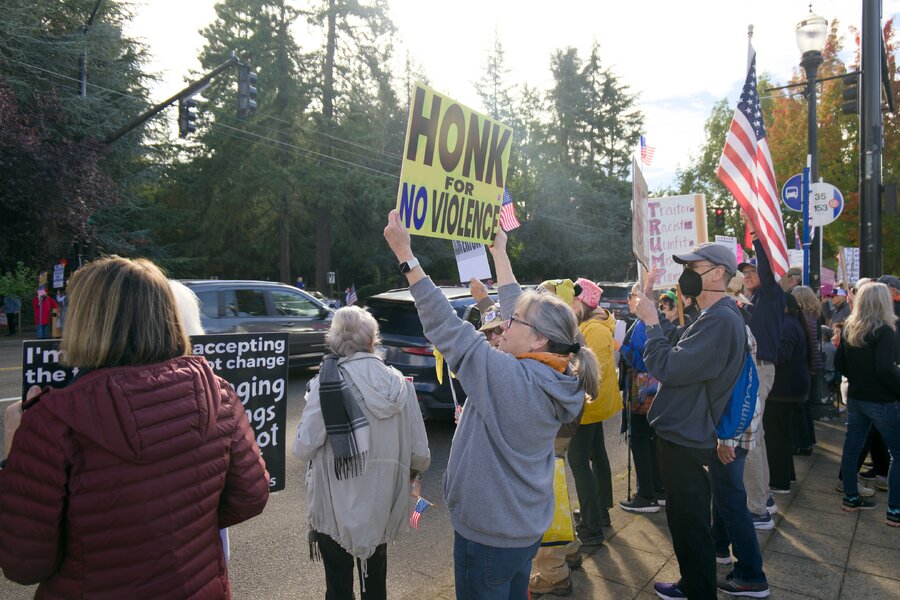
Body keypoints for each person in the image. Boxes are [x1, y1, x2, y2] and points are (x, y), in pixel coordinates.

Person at [0, 256, 270, 599]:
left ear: (85, 320)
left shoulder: (51, 422)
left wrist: (13, 452)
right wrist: (186, 530)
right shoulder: (219, 394)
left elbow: (24, 562)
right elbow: (251, 495)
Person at [383, 210, 597, 599]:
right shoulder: (552, 372)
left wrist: (407, 259)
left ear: (538, 342)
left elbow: (448, 329)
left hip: (489, 538)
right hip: (521, 529)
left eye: (512, 323)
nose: (503, 325)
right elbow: (520, 307)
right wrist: (500, 252)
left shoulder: (512, 378)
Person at [631, 242, 746, 600]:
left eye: (693, 269)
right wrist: (653, 311)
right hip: (684, 430)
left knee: (690, 524)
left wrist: (652, 321)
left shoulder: (722, 320)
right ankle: (692, 583)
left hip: (686, 434)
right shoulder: (711, 318)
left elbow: (668, 366)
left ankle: (699, 590)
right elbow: (677, 347)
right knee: (685, 521)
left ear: (717, 274)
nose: (685, 277)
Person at [294, 305, 431, 599]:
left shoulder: (325, 384)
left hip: (333, 506)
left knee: (338, 587)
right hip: (381, 503)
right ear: (373, 341)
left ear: (334, 342)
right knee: (376, 584)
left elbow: (303, 447)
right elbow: (420, 452)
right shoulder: (400, 384)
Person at [711, 280, 770, 598]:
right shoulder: (740, 330)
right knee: (723, 495)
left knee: (731, 500)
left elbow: (739, 390)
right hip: (738, 428)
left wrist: (726, 438)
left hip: (734, 431)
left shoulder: (735, 333)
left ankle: (751, 574)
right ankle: (719, 547)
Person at [835, 283, 900, 527]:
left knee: (852, 447)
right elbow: (885, 368)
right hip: (881, 400)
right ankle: (894, 511)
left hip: (857, 397)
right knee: (898, 453)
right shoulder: (884, 331)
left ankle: (851, 498)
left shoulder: (851, 327)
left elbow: (841, 364)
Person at [737, 231, 785, 530]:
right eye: (746, 273)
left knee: (750, 437)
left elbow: (767, 271)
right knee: (759, 436)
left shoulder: (771, 294)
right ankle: (764, 499)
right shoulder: (752, 301)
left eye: (753, 271)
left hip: (761, 368)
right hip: (755, 369)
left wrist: (757, 237)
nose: (748, 276)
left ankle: (756, 509)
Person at [566, 278, 618, 545]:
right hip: (591, 406)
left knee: (578, 461)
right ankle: (600, 512)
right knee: (597, 456)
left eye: (575, 301)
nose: (571, 306)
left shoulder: (593, 329)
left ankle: (591, 526)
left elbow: (588, 372)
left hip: (587, 407)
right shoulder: (592, 325)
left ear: (585, 302)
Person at [764, 294, 810, 494]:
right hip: (789, 388)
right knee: (781, 436)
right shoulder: (790, 323)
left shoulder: (787, 325)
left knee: (776, 438)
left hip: (783, 390)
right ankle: (787, 476)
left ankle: (779, 481)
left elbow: (781, 354)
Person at [791, 285, 823, 454]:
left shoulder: (802, 318)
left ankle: (803, 443)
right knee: (805, 407)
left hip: (804, 364)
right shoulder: (815, 316)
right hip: (812, 363)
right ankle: (809, 440)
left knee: (800, 408)